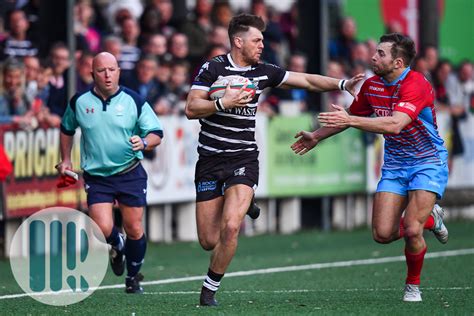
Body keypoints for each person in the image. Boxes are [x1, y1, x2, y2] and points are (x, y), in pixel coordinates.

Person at [185, 13, 363, 306]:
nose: (262, 45)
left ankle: (208, 290)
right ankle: (246, 203)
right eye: (257, 40)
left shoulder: (263, 71)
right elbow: (191, 108)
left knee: (231, 227)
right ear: (237, 41)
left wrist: (342, 84)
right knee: (208, 240)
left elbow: (304, 79)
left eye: (263, 40)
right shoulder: (213, 67)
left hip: (243, 158)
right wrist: (222, 103)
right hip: (209, 161)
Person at [291, 33, 449, 302]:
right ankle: (432, 219)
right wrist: (316, 136)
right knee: (382, 234)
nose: (373, 57)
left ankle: (413, 285)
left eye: (380, 54)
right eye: (374, 52)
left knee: (412, 229)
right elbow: (349, 117)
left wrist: (351, 122)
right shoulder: (372, 85)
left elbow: (395, 124)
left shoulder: (416, 84)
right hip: (395, 165)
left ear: (398, 62)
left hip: (428, 161)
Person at [57, 52, 163, 294]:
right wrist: (65, 159)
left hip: (130, 172)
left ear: (119, 72)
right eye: (102, 70)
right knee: (102, 227)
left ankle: (133, 276)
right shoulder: (80, 102)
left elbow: (157, 132)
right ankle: (117, 244)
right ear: (92, 73)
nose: (107, 75)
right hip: (97, 176)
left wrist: (145, 142)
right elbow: (66, 129)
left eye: (112, 69)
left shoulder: (134, 100)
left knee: (134, 227)